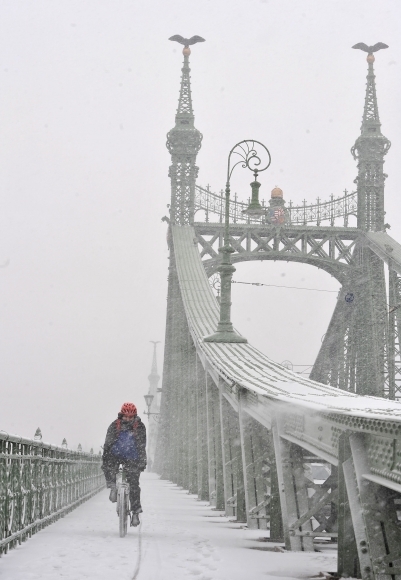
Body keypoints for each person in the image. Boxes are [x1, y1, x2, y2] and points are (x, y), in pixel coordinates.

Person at [102, 402, 147, 527]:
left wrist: (142, 461)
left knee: (133, 484)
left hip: (133, 457)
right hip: (115, 455)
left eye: (130, 417)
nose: (127, 419)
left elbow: (142, 445)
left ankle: (136, 512)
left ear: (134, 416)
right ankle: (113, 487)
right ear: (121, 415)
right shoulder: (114, 426)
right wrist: (105, 456)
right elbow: (108, 443)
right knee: (108, 466)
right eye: (125, 416)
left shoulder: (140, 427)